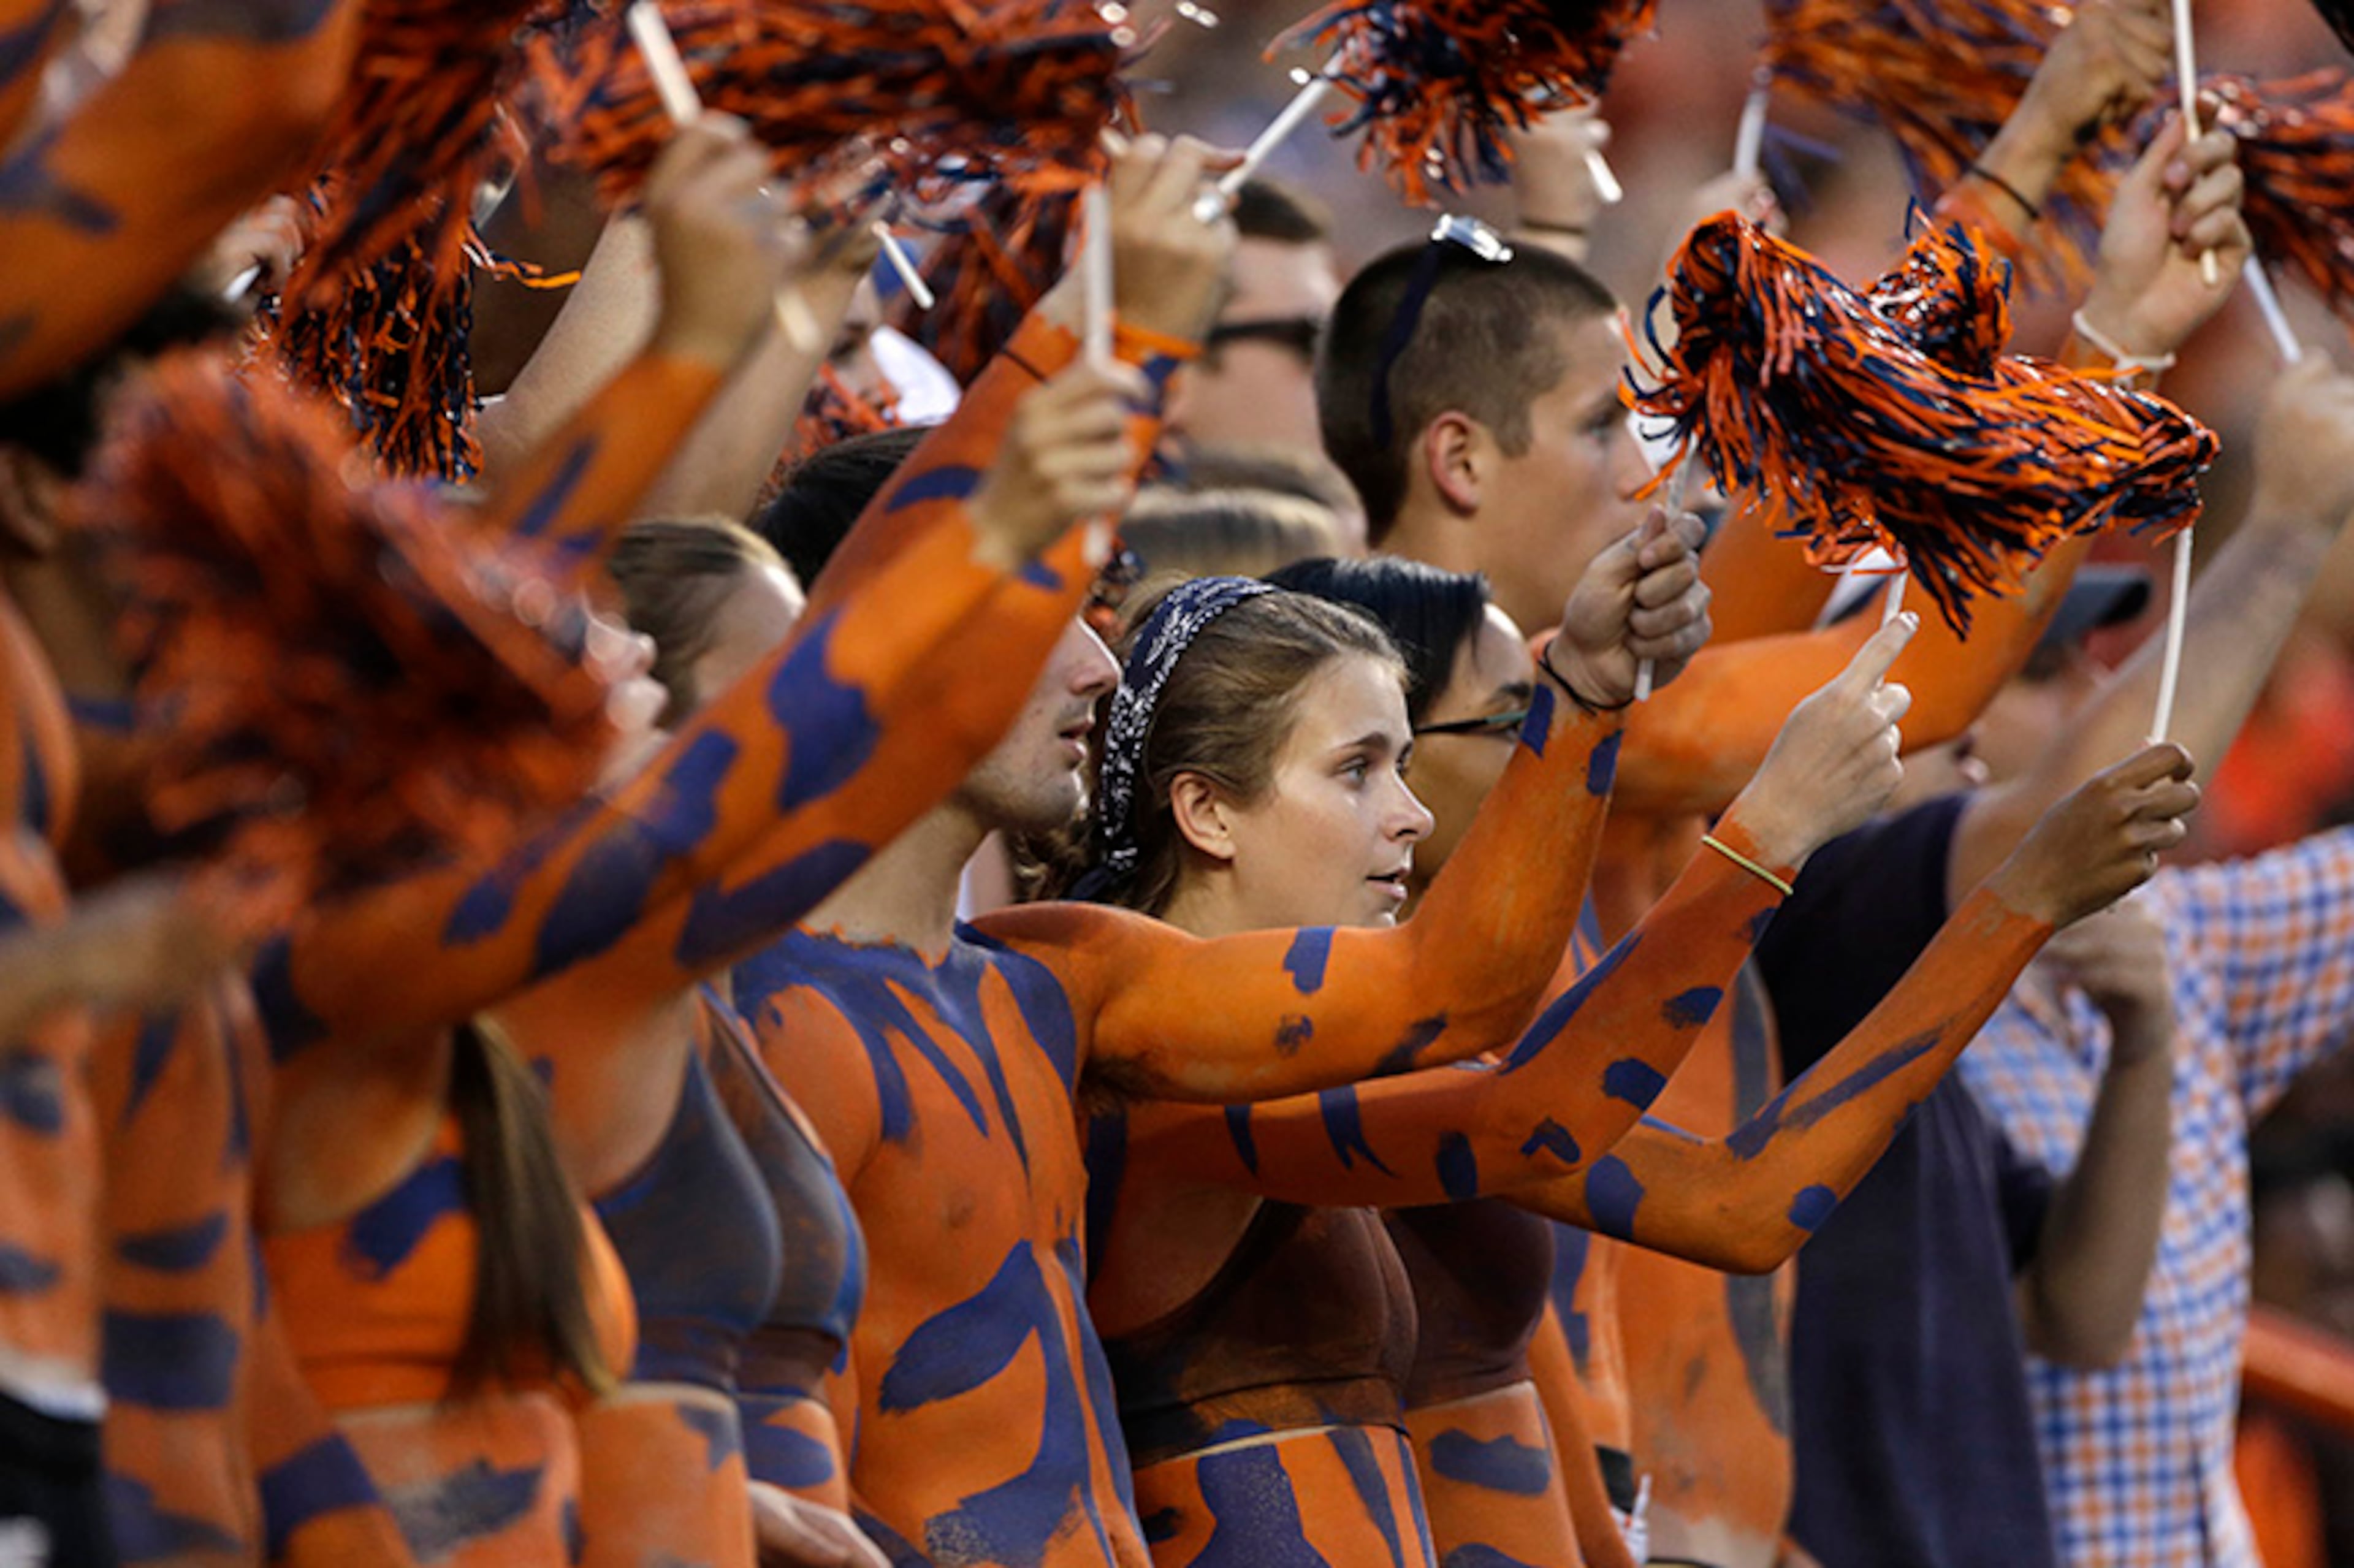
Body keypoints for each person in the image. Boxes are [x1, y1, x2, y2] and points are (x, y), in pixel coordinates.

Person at [731, 492, 1712, 1564]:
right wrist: (1731, 811)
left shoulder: (1060, 979)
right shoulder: (783, 1020)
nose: (1095, 665)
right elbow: (1517, 1089)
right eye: (1043, 607)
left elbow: (1469, 1013)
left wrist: (1594, 697)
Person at [1945, 356, 2354, 1568]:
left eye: (2083, 658)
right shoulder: (1836, 978)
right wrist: (2285, 528)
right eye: (2035, 672)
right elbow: (2077, 1321)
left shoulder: (2180, 936)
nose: (2089, 688)